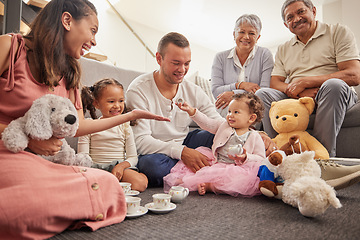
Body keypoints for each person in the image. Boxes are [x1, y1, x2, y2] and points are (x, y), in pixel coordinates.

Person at [0, 0, 168, 238]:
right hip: (9, 151)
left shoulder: (69, 71)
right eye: (93, 30)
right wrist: (28, 141)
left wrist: (130, 116)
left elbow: (79, 127)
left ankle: (47, 207)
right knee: (33, 199)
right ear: (67, 21)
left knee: (107, 184)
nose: (94, 41)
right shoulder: (9, 46)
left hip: (46, 160)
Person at [126, 32, 276, 188]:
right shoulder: (138, 90)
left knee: (221, 136)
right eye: (176, 63)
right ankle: (205, 169)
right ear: (159, 59)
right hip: (156, 151)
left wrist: (250, 134)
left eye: (187, 63)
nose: (182, 70)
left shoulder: (193, 90)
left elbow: (218, 122)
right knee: (152, 167)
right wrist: (182, 152)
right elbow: (141, 141)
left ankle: (196, 169)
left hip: (186, 140)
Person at [256, 0, 360, 158]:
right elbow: (275, 83)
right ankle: (279, 156)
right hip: (298, 98)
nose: (296, 19)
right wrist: (296, 93)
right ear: (286, 25)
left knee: (333, 85)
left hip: (334, 93)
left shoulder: (338, 31)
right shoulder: (283, 48)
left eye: (301, 12)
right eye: (290, 17)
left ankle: (321, 161)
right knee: (263, 94)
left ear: (314, 11)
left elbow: (354, 74)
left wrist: (305, 82)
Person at [163, 93, 266, 197]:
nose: (230, 115)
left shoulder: (254, 136)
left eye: (236, 112)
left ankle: (211, 186)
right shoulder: (224, 126)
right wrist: (193, 112)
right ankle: (187, 180)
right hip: (218, 161)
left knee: (237, 179)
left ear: (251, 118)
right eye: (229, 111)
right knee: (202, 167)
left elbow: (261, 158)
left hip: (238, 167)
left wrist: (246, 157)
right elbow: (207, 123)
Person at [78, 78, 148, 192]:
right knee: (83, 185)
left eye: (121, 101)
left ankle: (117, 183)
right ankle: (113, 185)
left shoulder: (125, 126)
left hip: (119, 168)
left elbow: (133, 157)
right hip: (96, 168)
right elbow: (82, 157)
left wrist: (121, 166)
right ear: (96, 103)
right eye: (111, 102)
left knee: (139, 184)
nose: (117, 106)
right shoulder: (89, 125)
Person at [211, 14, 274, 118]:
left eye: (252, 33)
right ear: (234, 34)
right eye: (241, 32)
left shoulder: (265, 54)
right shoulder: (220, 57)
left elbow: (263, 91)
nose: (246, 37)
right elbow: (216, 92)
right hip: (225, 109)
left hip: (253, 109)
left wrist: (233, 94)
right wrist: (240, 85)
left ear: (258, 37)